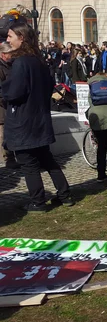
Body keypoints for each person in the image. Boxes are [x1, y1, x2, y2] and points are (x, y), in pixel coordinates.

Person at [2, 23, 74, 211]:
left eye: (10, 36)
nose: (7, 40)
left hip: (24, 121)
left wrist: (4, 91)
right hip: (39, 118)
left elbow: (15, 92)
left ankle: (38, 201)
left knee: (29, 164)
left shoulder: (22, 62)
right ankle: (65, 195)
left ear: (21, 38)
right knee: (46, 159)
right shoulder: (39, 60)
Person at [0, 42, 19, 169]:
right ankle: (7, 158)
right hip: (2, 105)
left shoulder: (10, 65)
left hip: (10, 103)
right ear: (2, 54)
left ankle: (12, 156)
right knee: (3, 133)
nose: (11, 56)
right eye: (9, 54)